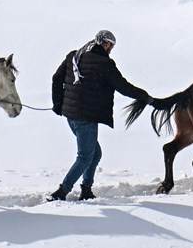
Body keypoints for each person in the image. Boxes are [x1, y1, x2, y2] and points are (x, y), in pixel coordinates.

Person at [47, 30, 155, 202]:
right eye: (111, 45)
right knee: (85, 157)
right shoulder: (104, 63)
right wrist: (145, 97)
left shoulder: (74, 56)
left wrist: (58, 104)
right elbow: (123, 86)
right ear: (105, 44)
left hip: (71, 116)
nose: (111, 49)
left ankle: (86, 190)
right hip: (86, 117)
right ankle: (61, 192)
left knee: (95, 154)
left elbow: (56, 78)